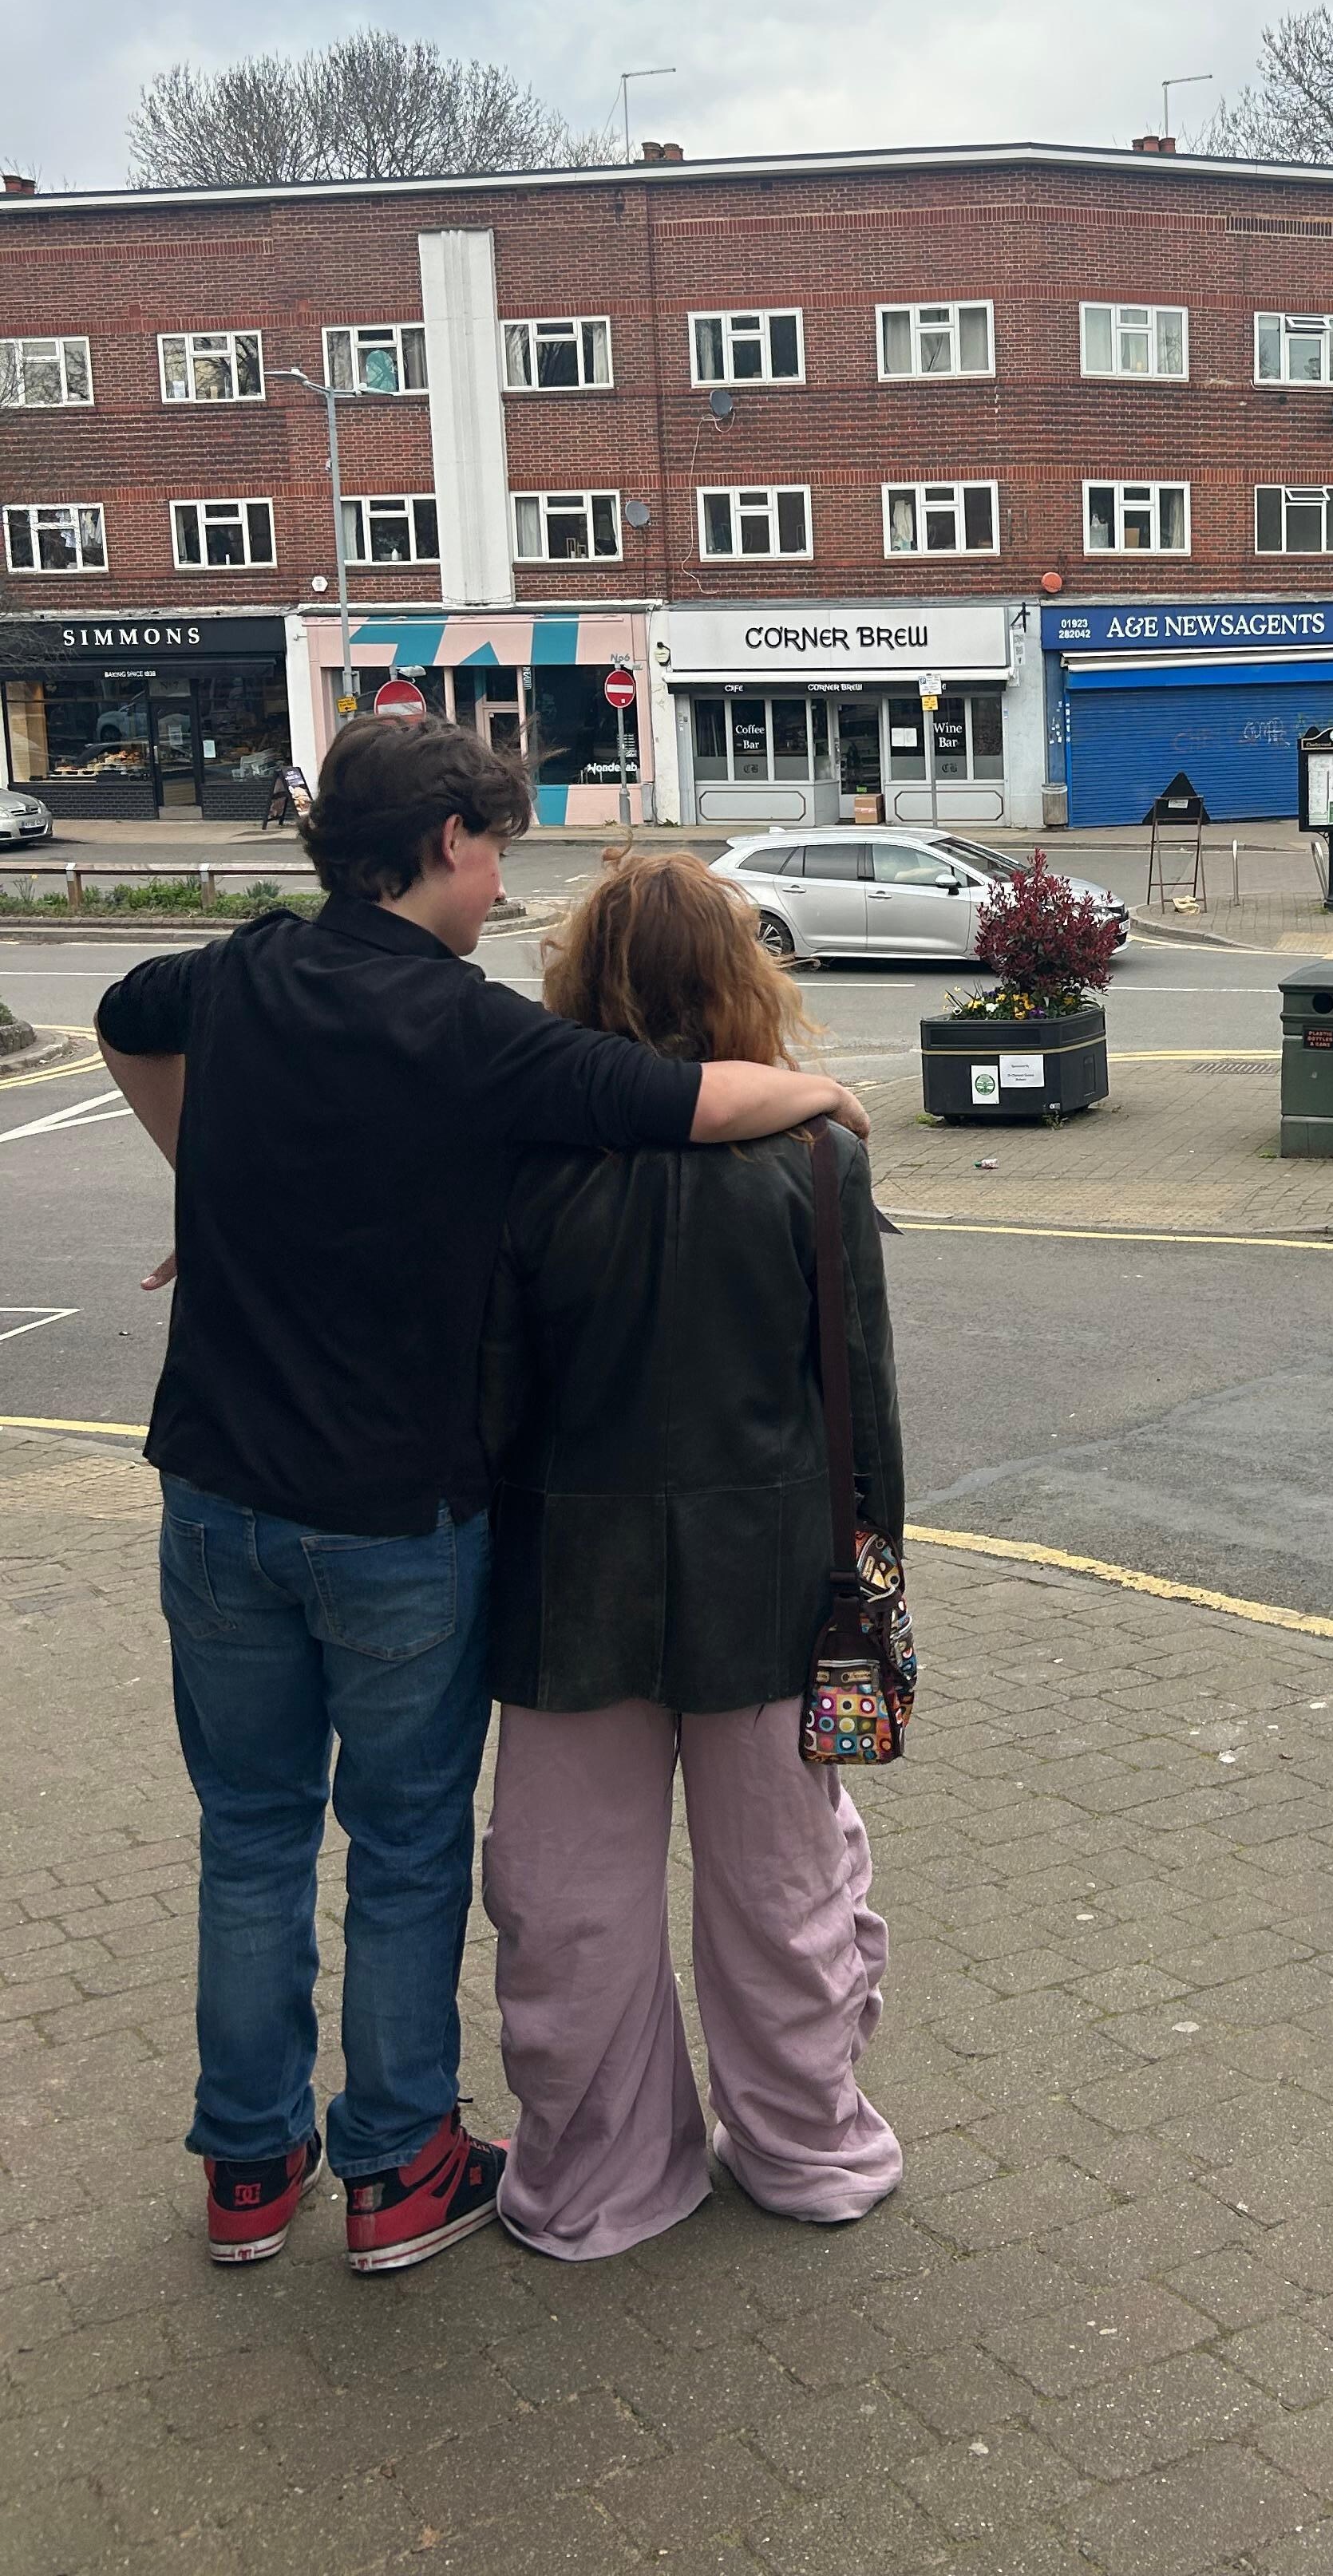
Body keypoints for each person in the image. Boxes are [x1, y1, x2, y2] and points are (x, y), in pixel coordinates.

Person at [96, 719, 868, 2275]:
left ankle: (249, 2175)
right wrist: (827, 1095)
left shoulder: (242, 970)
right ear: (449, 842)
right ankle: (395, 2174)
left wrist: (204, 1181)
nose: (501, 875)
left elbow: (125, 1019)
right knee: (403, 1849)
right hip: (400, 1526)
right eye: (496, 845)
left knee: (249, 1835)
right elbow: (686, 1105)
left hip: (216, 1502)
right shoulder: (468, 1030)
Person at [477, 851, 906, 2258]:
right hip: (773, 1583)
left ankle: (602, 2178)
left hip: (564, 1585)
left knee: (569, 1906)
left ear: (576, 976)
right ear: (739, 976)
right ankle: (804, 2148)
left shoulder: (525, 1158)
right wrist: (873, 1576)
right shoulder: (813, 1152)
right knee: (786, 1890)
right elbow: (856, 1391)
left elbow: (487, 1400)